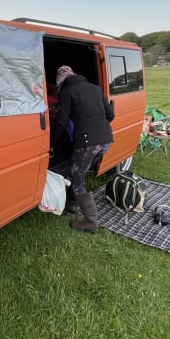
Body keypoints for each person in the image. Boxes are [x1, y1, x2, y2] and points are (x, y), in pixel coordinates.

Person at [53, 65, 114, 233]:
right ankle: (71, 204)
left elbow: (61, 121)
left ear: (61, 81)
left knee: (77, 177)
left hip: (88, 143)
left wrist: (51, 143)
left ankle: (91, 221)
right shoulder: (94, 88)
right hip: (106, 139)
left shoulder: (67, 92)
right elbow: (110, 115)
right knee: (80, 171)